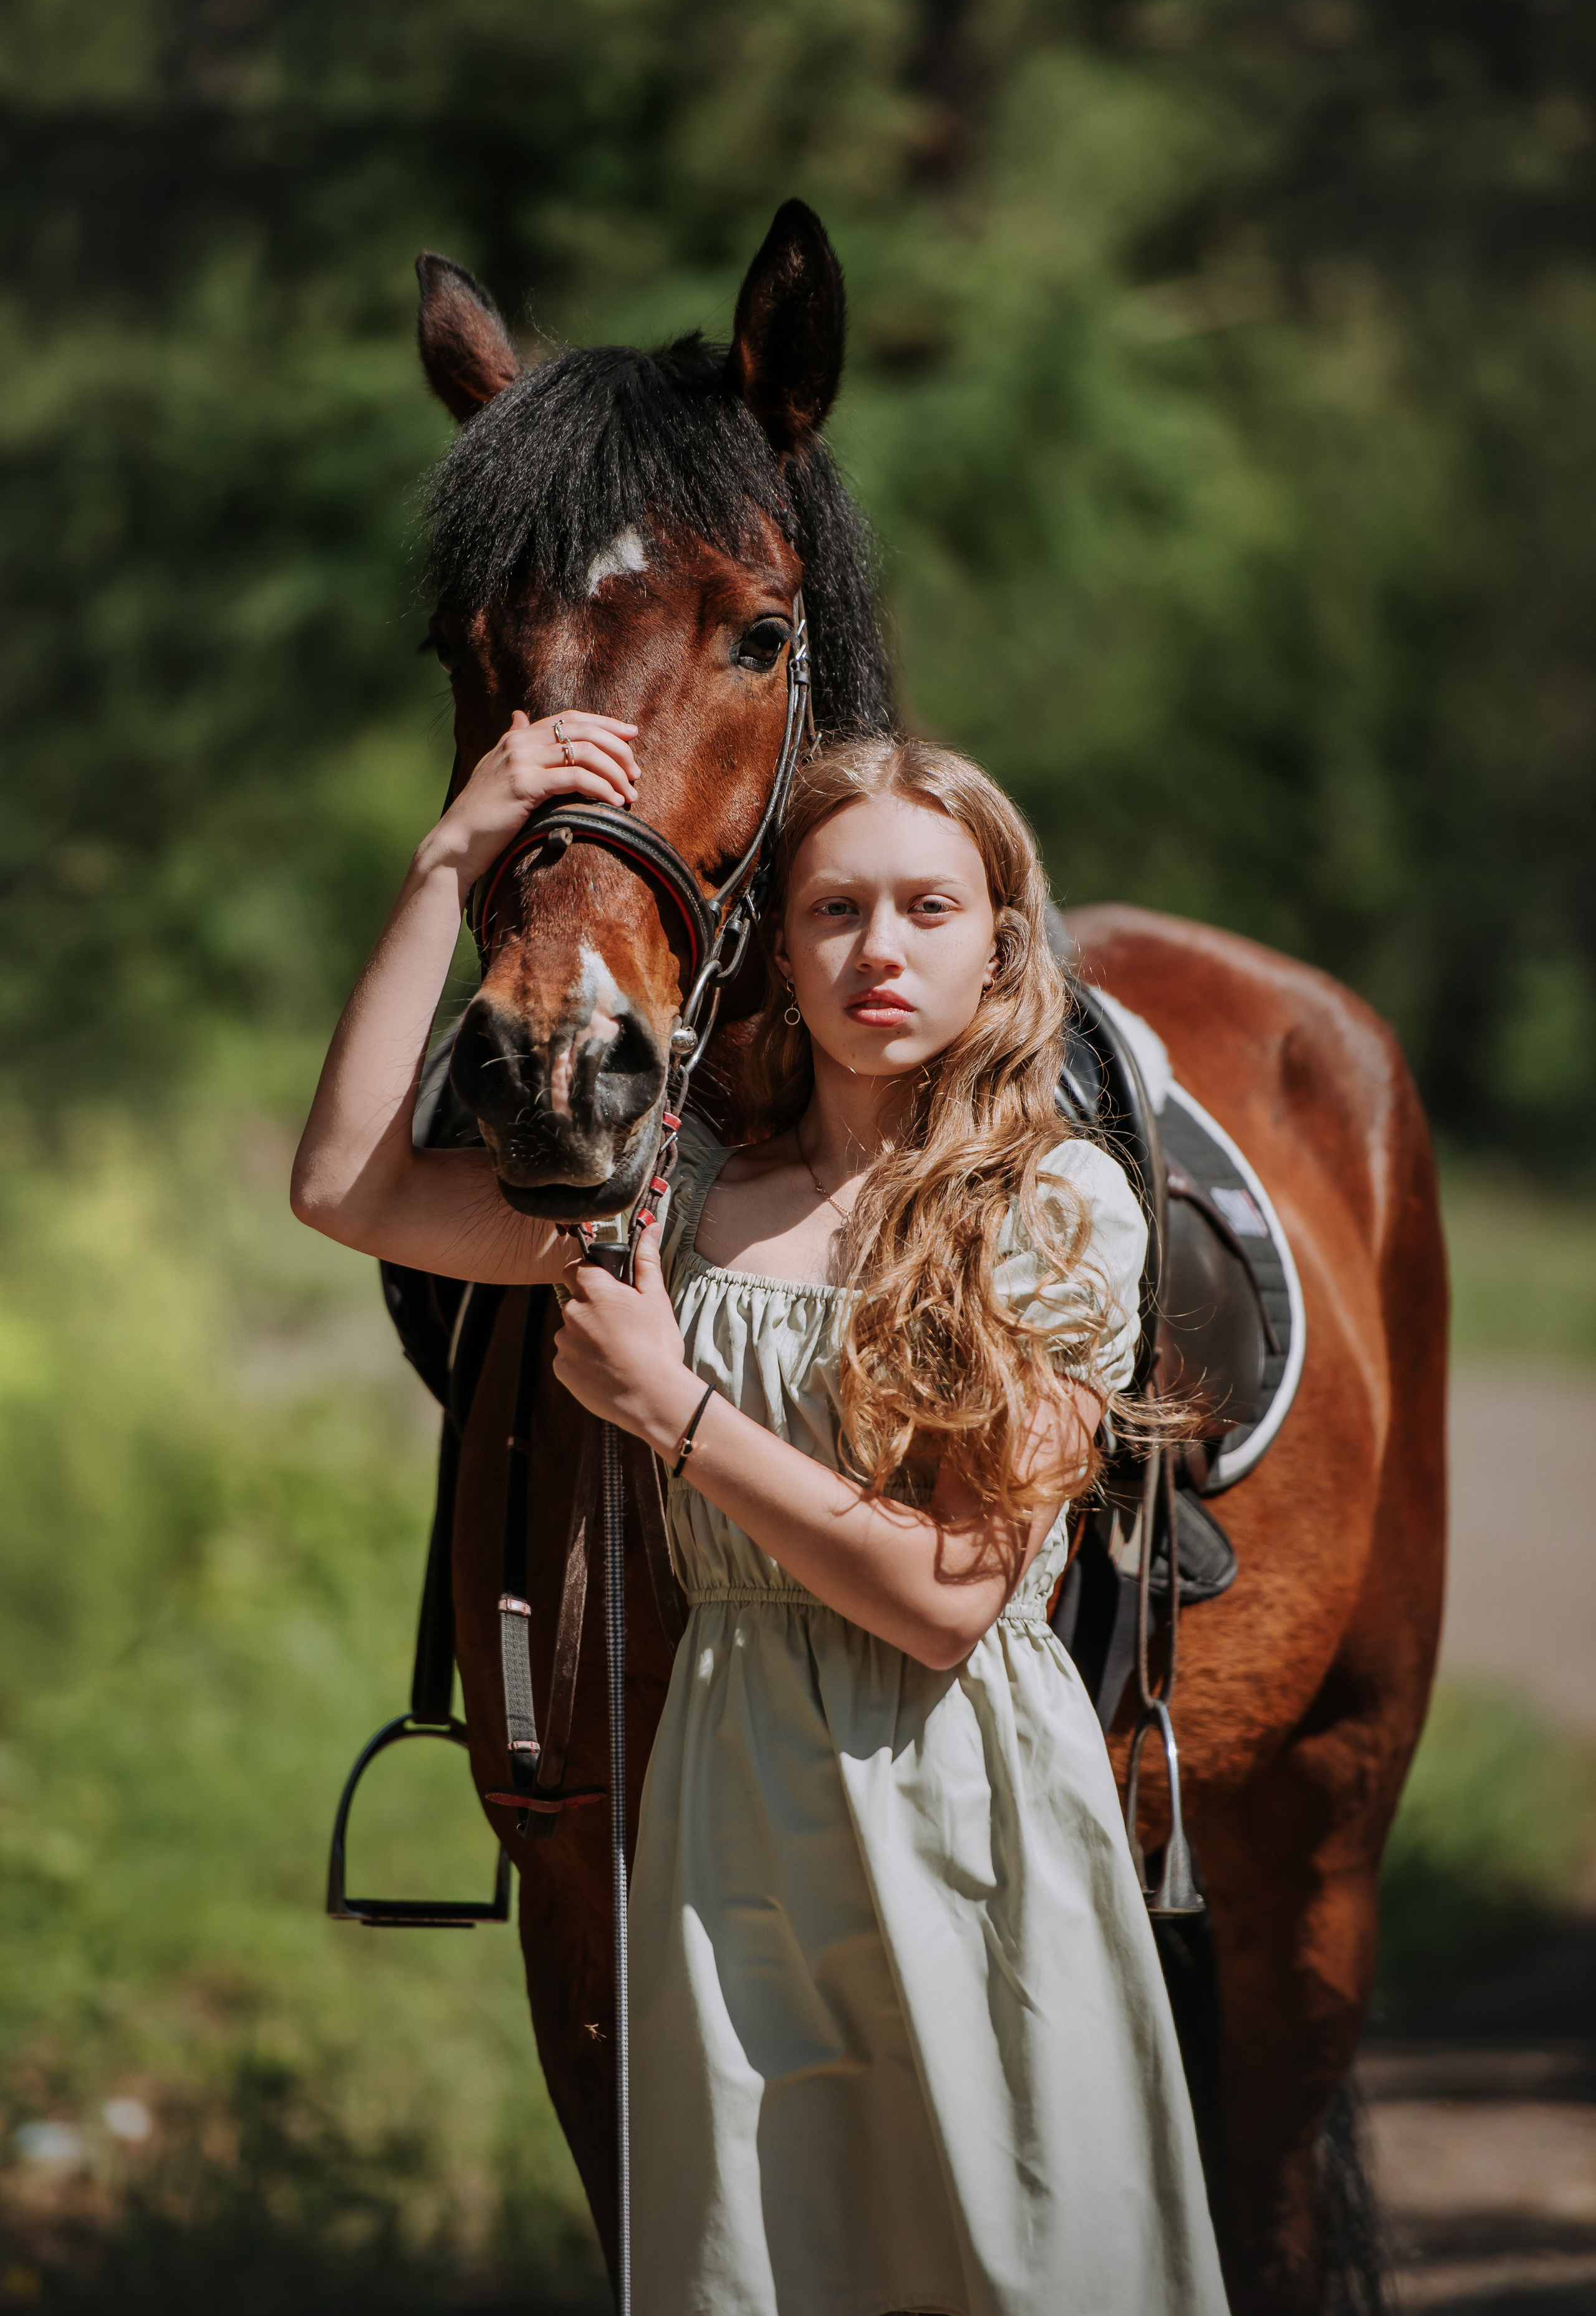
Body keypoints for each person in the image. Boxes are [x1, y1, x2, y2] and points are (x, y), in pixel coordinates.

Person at [292, 712, 1230, 2316]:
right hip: (731, 1805)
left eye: (929, 909)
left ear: (998, 945)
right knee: (762, 2263)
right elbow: (346, 1190)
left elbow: (951, 1594)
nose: (881, 950)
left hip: (960, 1797)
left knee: (1016, 2257)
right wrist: (450, 859)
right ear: (773, 947)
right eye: (832, 909)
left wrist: (682, 1414)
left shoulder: (1050, 1205)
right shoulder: (680, 1202)